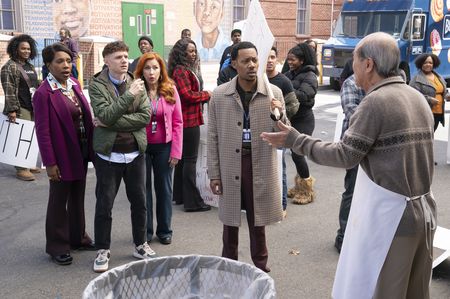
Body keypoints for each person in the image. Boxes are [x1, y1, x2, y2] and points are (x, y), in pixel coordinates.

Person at [261, 32, 436, 299]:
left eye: (354, 60)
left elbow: (345, 154)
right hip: (424, 215)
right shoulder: (416, 97)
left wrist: (296, 139)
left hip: (394, 222)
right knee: (414, 291)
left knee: (387, 291)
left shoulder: (376, 102)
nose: (351, 68)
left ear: (368, 65)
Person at [208, 41, 287, 273]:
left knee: (258, 217)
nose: (252, 65)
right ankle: (228, 264)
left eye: (255, 60)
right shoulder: (220, 95)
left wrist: (279, 114)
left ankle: (260, 266)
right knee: (230, 220)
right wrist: (214, 174)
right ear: (234, 64)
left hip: (260, 162)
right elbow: (212, 136)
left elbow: (285, 134)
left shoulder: (274, 93)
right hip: (231, 162)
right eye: (245, 61)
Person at [89, 41, 154, 273]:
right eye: (118, 57)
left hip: (135, 153)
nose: (124, 60)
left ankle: (140, 244)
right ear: (106, 60)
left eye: (126, 56)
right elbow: (104, 113)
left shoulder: (137, 83)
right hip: (109, 155)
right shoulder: (96, 85)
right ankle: (103, 250)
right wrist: (126, 101)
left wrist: (110, 122)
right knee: (104, 204)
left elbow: (145, 117)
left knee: (140, 202)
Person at [33, 43, 95, 266]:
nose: (66, 65)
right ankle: (58, 245)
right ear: (48, 65)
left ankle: (78, 237)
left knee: (77, 196)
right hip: (61, 154)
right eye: (60, 61)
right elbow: (42, 130)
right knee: (59, 201)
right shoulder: (43, 93)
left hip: (80, 149)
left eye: (68, 61)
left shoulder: (74, 84)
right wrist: (50, 163)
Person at [134, 52, 183, 245]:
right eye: (147, 68)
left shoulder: (170, 89)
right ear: (141, 71)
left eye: (155, 67)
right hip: (142, 147)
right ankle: (145, 232)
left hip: (165, 146)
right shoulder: (136, 90)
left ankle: (164, 230)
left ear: (161, 70)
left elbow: (178, 122)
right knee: (142, 190)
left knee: (164, 189)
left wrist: (176, 151)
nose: (151, 72)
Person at [168, 38, 212, 212]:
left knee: (182, 161)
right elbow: (187, 95)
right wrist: (206, 94)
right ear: (181, 53)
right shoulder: (181, 71)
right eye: (190, 51)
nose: (193, 54)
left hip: (188, 120)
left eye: (194, 50)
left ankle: (179, 196)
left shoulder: (184, 69)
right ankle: (192, 202)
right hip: (188, 121)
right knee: (190, 161)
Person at [1, 34, 40, 181]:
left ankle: (28, 163)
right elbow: (9, 90)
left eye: (28, 49)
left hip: (32, 105)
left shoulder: (29, 66)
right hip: (19, 106)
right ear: (15, 49)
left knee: (30, 136)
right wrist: (12, 109)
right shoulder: (9, 67)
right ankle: (21, 169)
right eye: (23, 48)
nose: (26, 51)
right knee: (21, 136)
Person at [334, 74, 365, 253]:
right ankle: (343, 236)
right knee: (352, 191)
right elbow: (352, 111)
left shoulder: (383, 82)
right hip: (355, 146)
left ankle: (364, 236)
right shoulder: (352, 82)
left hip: (379, 150)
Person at [284, 43, 318, 204]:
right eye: (288, 59)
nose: (290, 62)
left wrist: (286, 91)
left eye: (293, 60)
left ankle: (307, 190)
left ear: (302, 60)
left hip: (304, 120)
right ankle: (299, 186)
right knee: (294, 155)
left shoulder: (310, 75)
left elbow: (304, 95)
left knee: (298, 154)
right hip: (292, 120)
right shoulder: (291, 73)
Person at [266, 46, 298, 218]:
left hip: (279, 129)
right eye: (267, 57)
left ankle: (282, 204)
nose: (270, 60)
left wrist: (280, 113)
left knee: (280, 169)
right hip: (262, 132)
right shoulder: (257, 81)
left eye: (273, 57)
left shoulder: (283, 82)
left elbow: (294, 105)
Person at [409, 53, 449, 132]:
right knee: (426, 135)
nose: (428, 64)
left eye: (430, 63)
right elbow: (412, 96)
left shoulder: (439, 77)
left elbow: (444, 91)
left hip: (438, 113)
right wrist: (429, 99)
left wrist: (447, 95)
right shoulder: (416, 80)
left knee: (432, 135)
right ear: (421, 64)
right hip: (425, 114)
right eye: (425, 62)